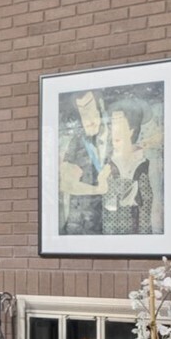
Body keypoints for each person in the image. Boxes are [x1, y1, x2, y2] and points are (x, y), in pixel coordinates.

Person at [58, 89, 112, 234]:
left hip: (115, 225)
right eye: (82, 112)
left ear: (100, 105)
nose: (86, 119)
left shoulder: (117, 135)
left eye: (89, 109)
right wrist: (97, 190)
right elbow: (66, 183)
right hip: (81, 227)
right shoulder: (77, 141)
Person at [101, 102, 158, 235]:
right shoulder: (107, 165)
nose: (113, 127)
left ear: (131, 129)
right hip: (111, 236)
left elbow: (151, 207)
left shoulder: (146, 165)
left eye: (118, 122)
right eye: (112, 122)